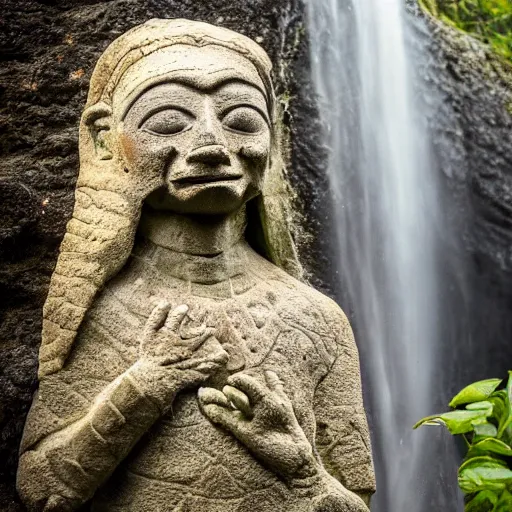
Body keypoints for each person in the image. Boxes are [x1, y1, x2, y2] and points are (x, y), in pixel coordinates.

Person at [17, 19, 375, 512]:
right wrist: (146, 384)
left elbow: (357, 502)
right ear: (104, 139)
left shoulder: (317, 320)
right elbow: (41, 489)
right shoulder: (99, 310)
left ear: (272, 137)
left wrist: (305, 473)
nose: (211, 144)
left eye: (243, 121)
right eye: (169, 121)